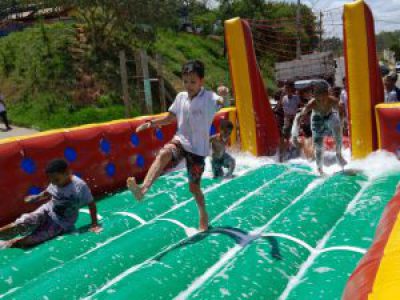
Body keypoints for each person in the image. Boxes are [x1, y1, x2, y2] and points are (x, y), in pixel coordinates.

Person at [127, 60, 223, 231]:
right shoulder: (181, 97)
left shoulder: (208, 98)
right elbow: (170, 118)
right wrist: (150, 123)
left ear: (201, 81)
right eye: (185, 81)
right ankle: (143, 190)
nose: (189, 85)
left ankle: (203, 213)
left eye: (193, 82)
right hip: (181, 140)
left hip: (198, 151)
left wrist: (224, 94)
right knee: (164, 153)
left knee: (194, 188)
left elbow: (221, 102)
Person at [0, 159, 101, 249]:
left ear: (67, 172)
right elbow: (48, 192)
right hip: (47, 210)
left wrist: (94, 223)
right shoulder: (55, 182)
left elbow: (91, 203)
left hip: (62, 222)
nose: (54, 182)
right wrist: (37, 197)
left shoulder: (79, 186)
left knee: (31, 240)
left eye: (56, 180)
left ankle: (11, 243)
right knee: (24, 222)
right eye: (51, 180)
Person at [292, 80, 347, 175]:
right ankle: (319, 168)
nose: (320, 101)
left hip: (330, 115)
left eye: (323, 99)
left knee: (337, 125)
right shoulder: (312, 103)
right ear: (315, 97)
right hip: (317, 118)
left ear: (327, 94)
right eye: (318, 99)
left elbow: (342, 112)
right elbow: (299, 116)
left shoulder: (333, 101)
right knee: (318, 145)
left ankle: (338, 154)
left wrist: (341, 124)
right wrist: (294, 135)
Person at [279, 81, 301, 162]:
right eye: (285, 88)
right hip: (287, 119)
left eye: (287, 87)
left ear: (292, 88)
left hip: (295, 119)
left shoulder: (296, 98)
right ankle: (282, 156)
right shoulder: (284, 98)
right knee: (285, 136)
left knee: (295, 136)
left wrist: (297, 117)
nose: (286, 89)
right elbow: (280, 107)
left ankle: (296, 154)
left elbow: (299, 107)